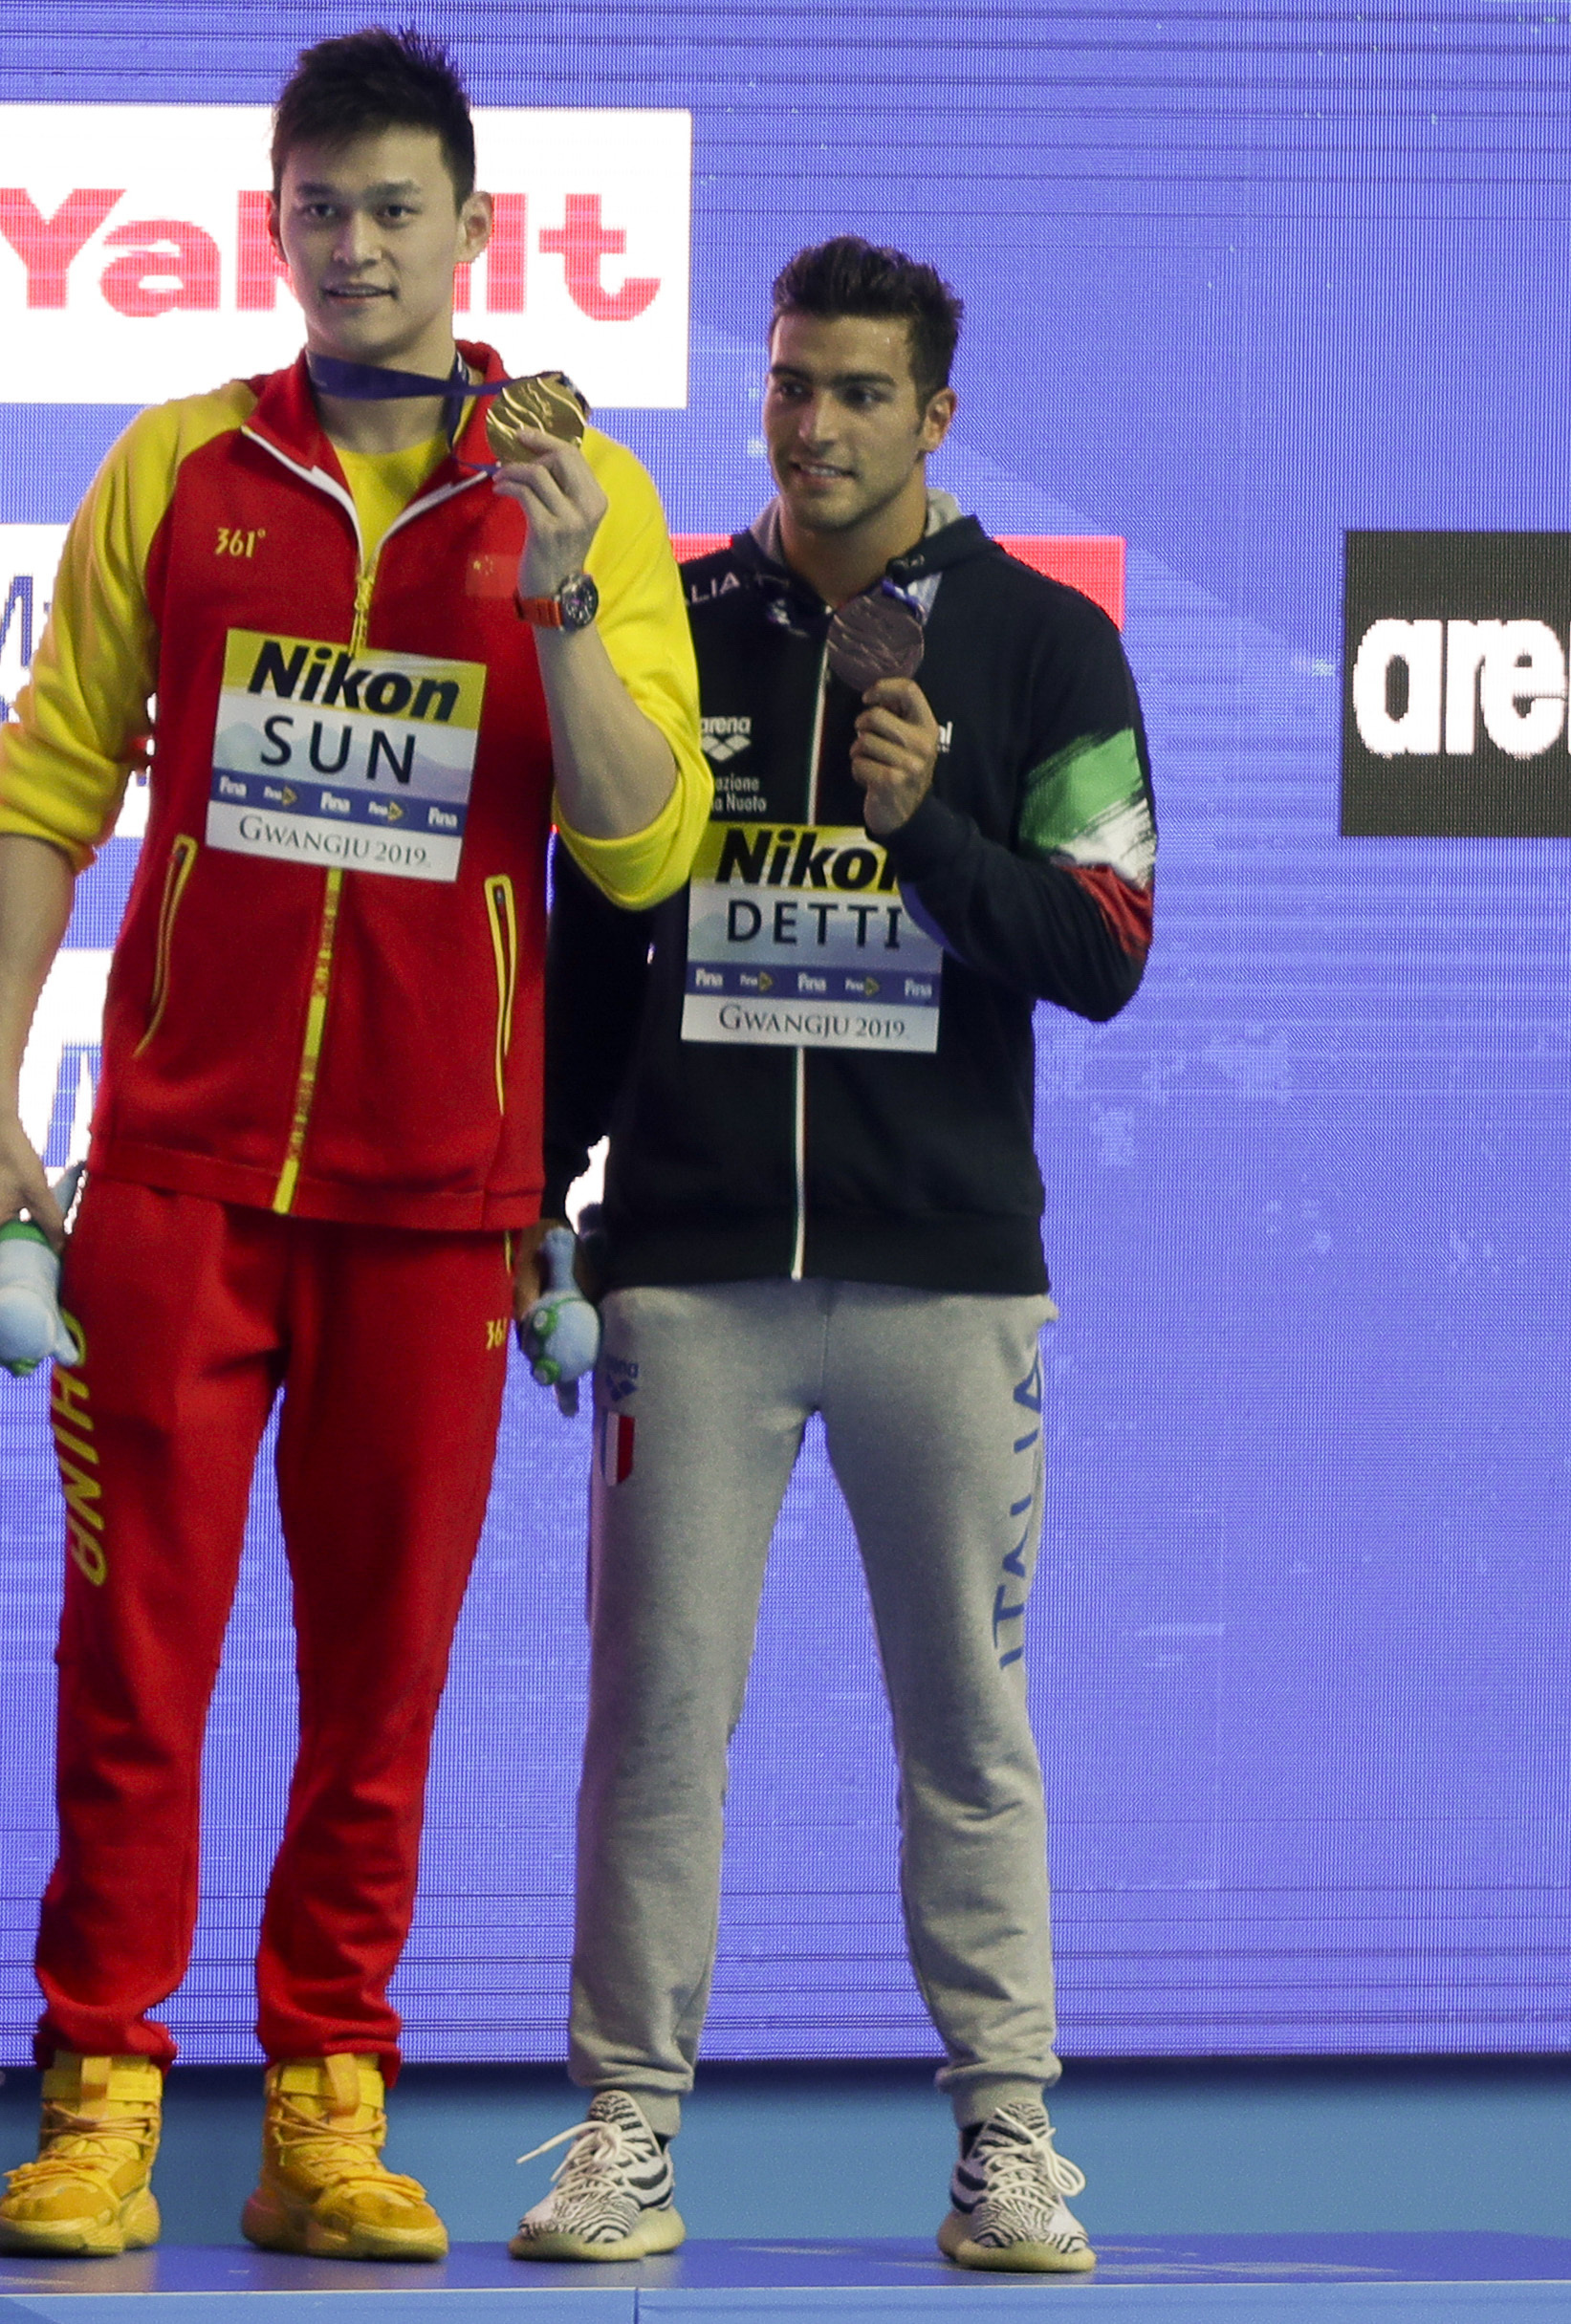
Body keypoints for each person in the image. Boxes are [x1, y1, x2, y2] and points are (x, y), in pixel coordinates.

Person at [0, 26, 710, 2265]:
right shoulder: (179, 467)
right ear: (269, 225)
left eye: (395, 209)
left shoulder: (582, 495)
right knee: (136, 1663)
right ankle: (98, 2094)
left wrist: (563, 593)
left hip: (439, 1202)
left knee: (379, 1679)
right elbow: (45, 793)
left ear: (476, 232)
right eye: (318, 209)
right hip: (175, 1185)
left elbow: (644, 848)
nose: (354, 245)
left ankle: (323, 2109)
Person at [510, 236, 1156, 2275]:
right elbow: (595, 933)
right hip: (688, 1277)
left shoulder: (1046, 646)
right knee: (655, 1713)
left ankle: (1005, 2139)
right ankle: (623, 2128)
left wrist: (934, 829)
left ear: (937, 412)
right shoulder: (673, 621)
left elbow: (1109, 947)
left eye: (860, 391)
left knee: (965, 1721)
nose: (815, 422)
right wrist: (539, 1187)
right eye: (792, 384)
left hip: (947, 1282)